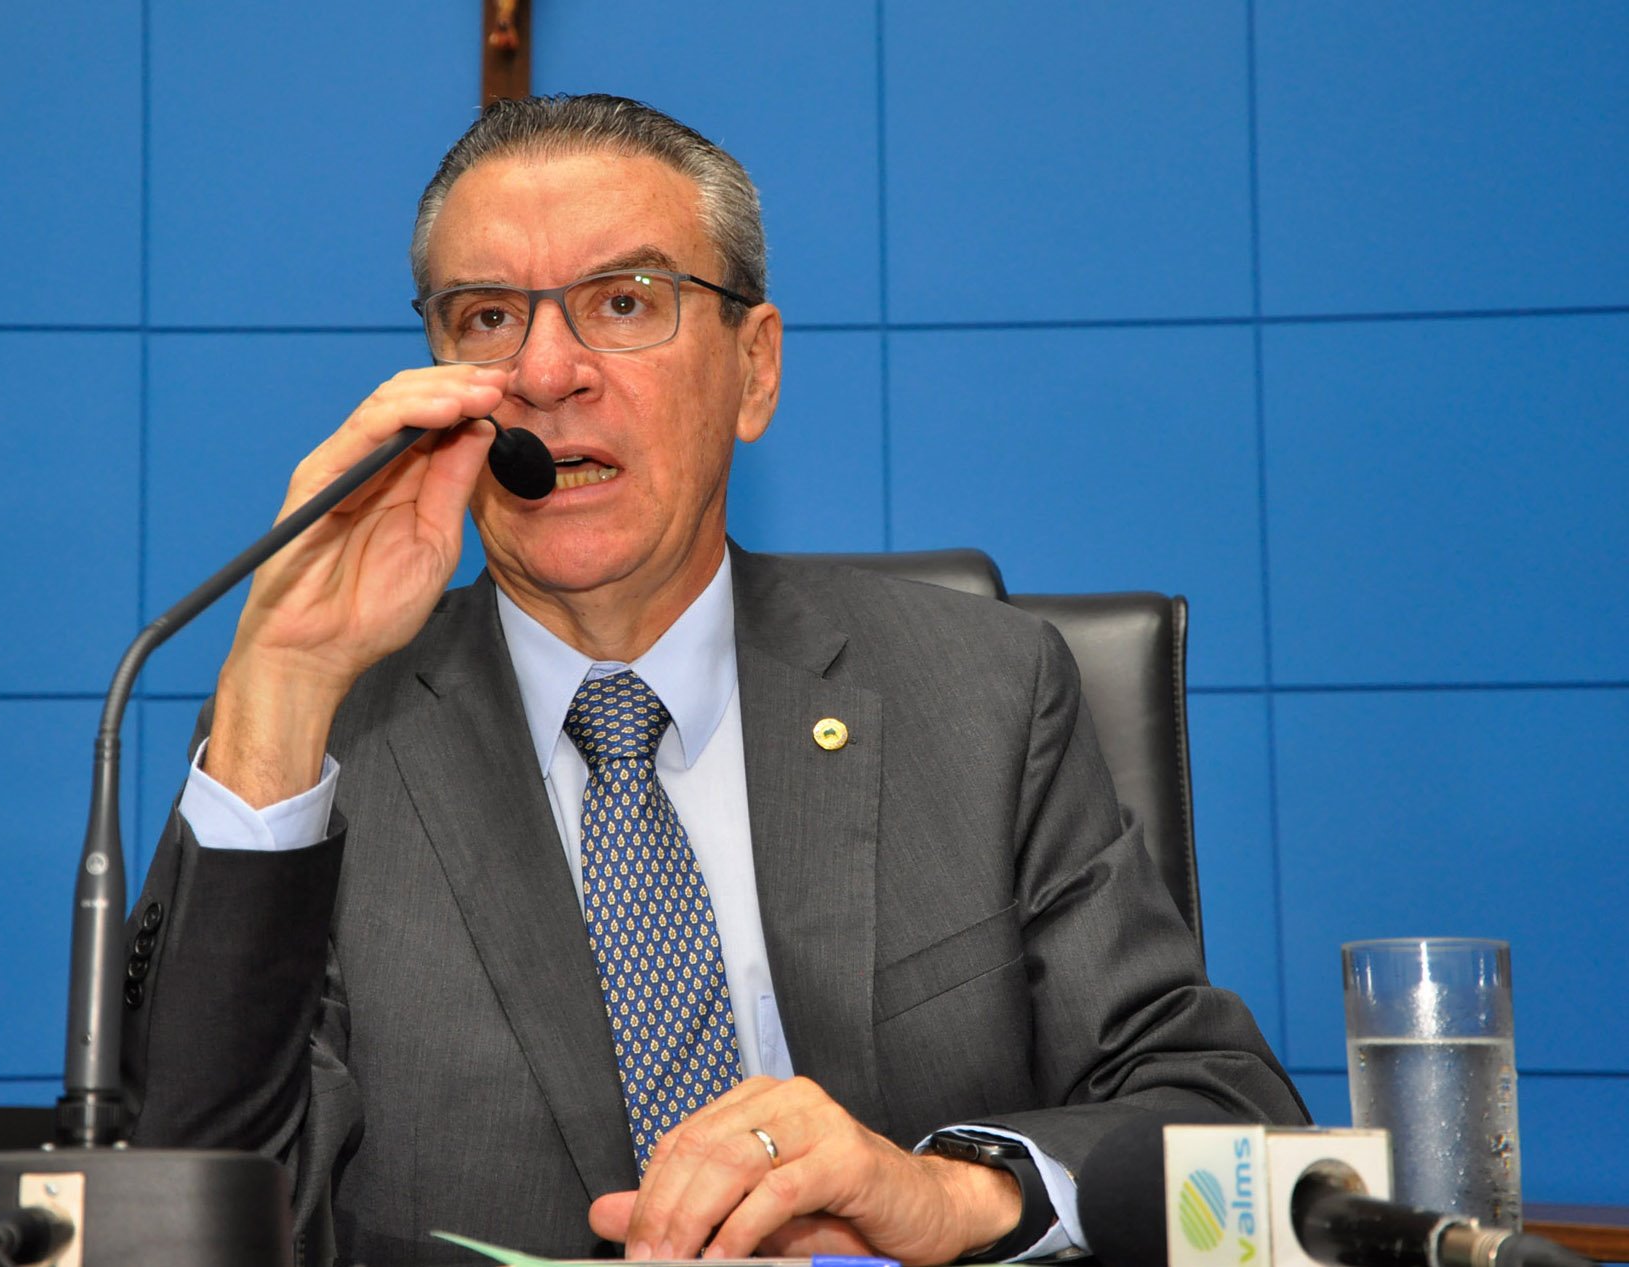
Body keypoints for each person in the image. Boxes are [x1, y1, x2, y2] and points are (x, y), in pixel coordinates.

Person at [121, 94, 1305, 1266]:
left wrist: (950, 1193)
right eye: (487, 317)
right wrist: (283, 683)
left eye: (623, 301)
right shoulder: (318, 748)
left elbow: (1226, 1126)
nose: (546, 372)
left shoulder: (982, 696)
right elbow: (184, 1209)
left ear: (754, 368)